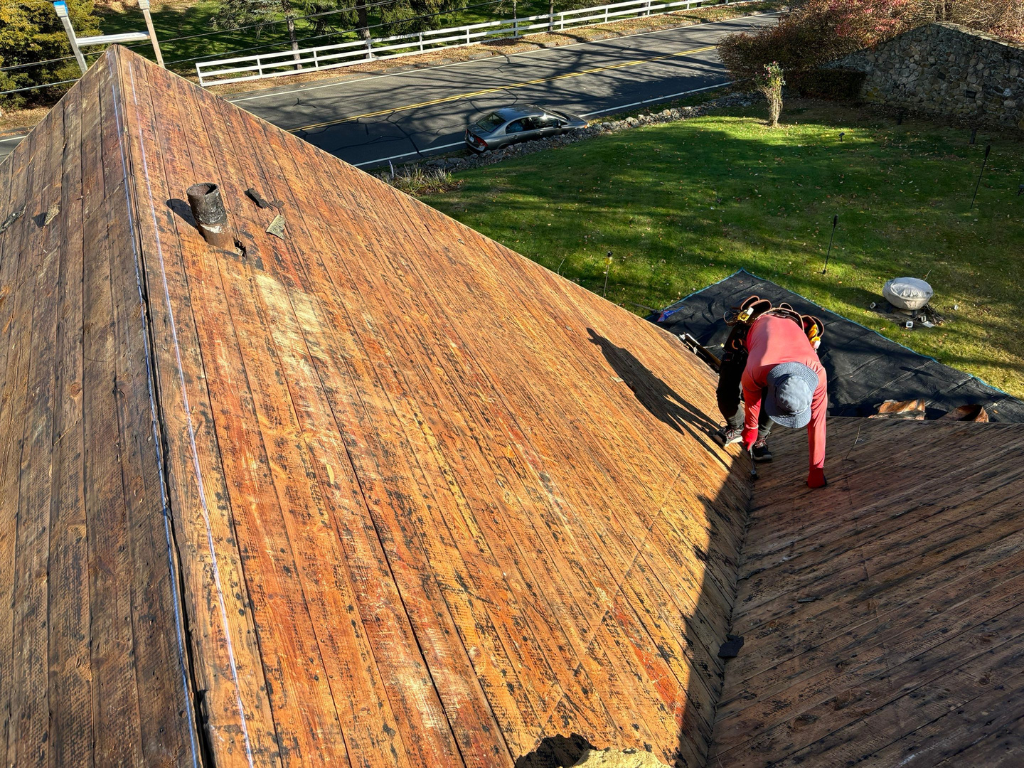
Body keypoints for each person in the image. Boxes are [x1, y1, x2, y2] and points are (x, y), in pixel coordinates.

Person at [714, 298, 828, 489]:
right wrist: (749, 428)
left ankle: (761, 436)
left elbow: (818, 424)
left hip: (780, 344)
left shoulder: (818, 376)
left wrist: (817, 470)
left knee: (779, 402)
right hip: (750, 339)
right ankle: (736, 426)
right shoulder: (758, 367)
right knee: (726, 394)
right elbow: (753, 400)